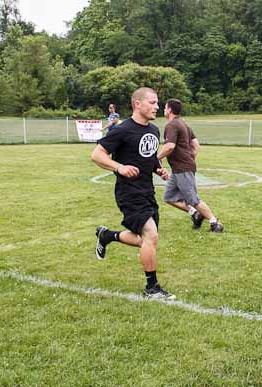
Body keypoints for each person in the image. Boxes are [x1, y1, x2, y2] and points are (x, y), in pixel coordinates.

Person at [91, 87, 174, 300]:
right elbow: (97, 154)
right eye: (152, 102)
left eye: (157, 103)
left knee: (144, 240)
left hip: (147, 190)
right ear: (137, 104)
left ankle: (107, 235)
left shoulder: (154, 130)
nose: (157, 106)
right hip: (128, 192)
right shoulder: (122, 129)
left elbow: (149, 156)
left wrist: (158, 168)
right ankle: (152, 288)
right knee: (151, 235)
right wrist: (119, 167)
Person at [157, 98, 224, 233]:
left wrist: (156, 158)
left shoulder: (172, 125)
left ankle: (215, 222)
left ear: (169, 110)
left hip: (183, 168)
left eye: (165, 107)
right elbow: (196, 145)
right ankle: (195, 213)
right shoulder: (183, 124)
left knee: (193, 199)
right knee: (169, 197)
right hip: (179, 169)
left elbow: (169, 146)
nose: (163, 110)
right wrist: (190, 158)